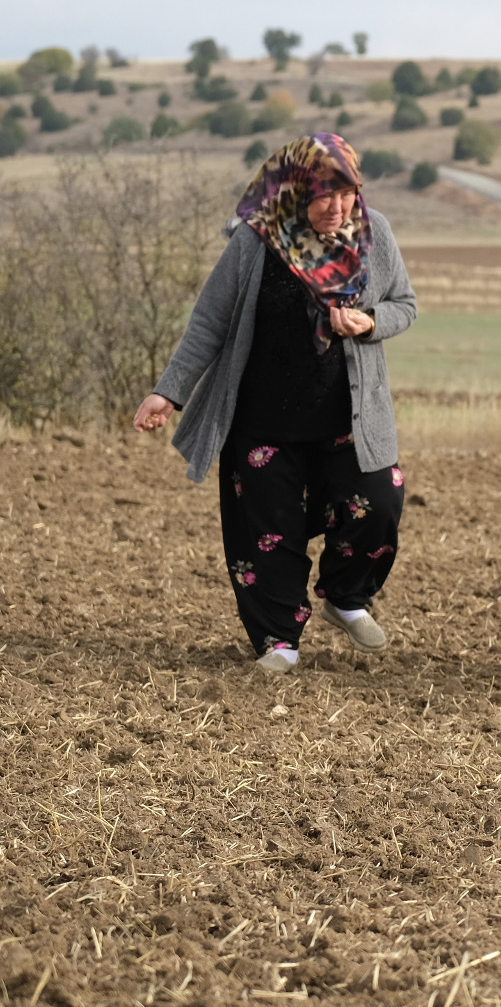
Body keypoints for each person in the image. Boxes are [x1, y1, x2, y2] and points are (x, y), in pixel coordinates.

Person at [134, 136, 417, 673]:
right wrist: (167, 391)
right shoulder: (256, 241)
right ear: (293, 190)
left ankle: (344, 596)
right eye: (323, 195)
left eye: (347, 193)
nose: (337, 207)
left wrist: (371, 322)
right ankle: (278, 640)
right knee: (267, 530)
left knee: (379, 502)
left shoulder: (374, 234)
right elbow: (209, 323)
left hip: (349, 418)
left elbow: (405, 305)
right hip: (263, 419)